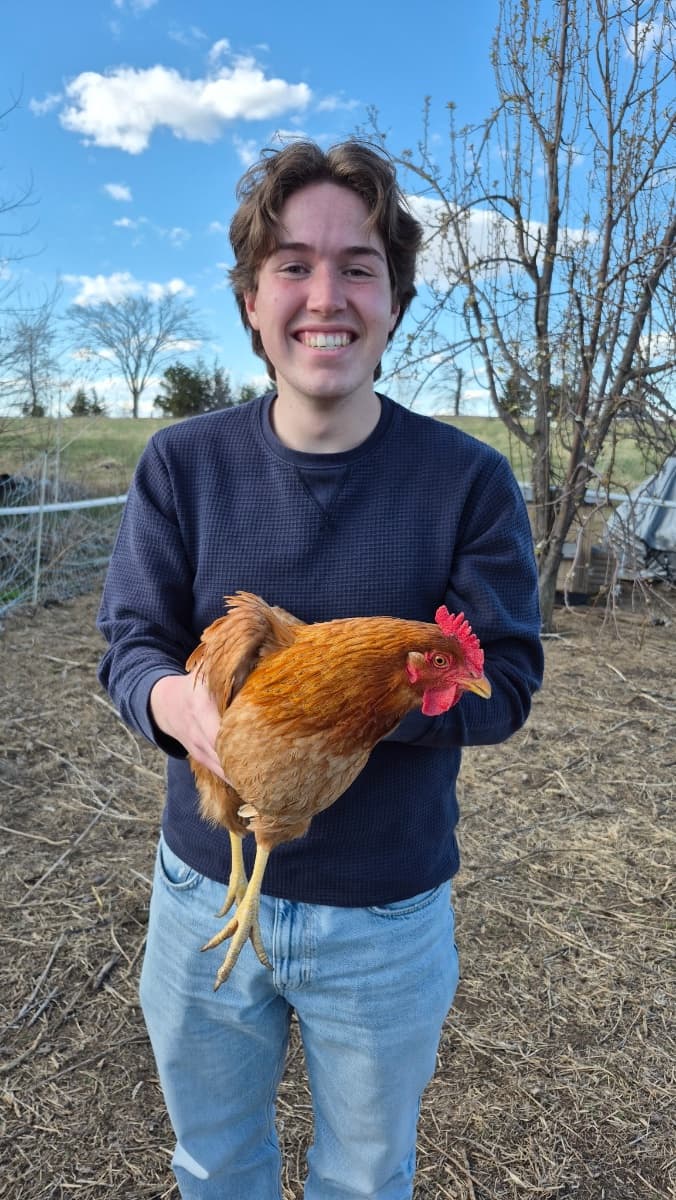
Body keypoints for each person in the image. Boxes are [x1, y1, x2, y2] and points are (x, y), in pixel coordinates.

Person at [97, 139, 543, 1200]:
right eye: (293, 265)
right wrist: (179, 705)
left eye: (357, 267)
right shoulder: (183, 464)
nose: (324, 296)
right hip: (205, 884)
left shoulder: (467, 482)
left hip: (386, 913)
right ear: (252, 300)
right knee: (214, 1163)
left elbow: (507, 682)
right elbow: (130, 644)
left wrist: (356, 703)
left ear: (394, 301)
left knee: (366, 1176)